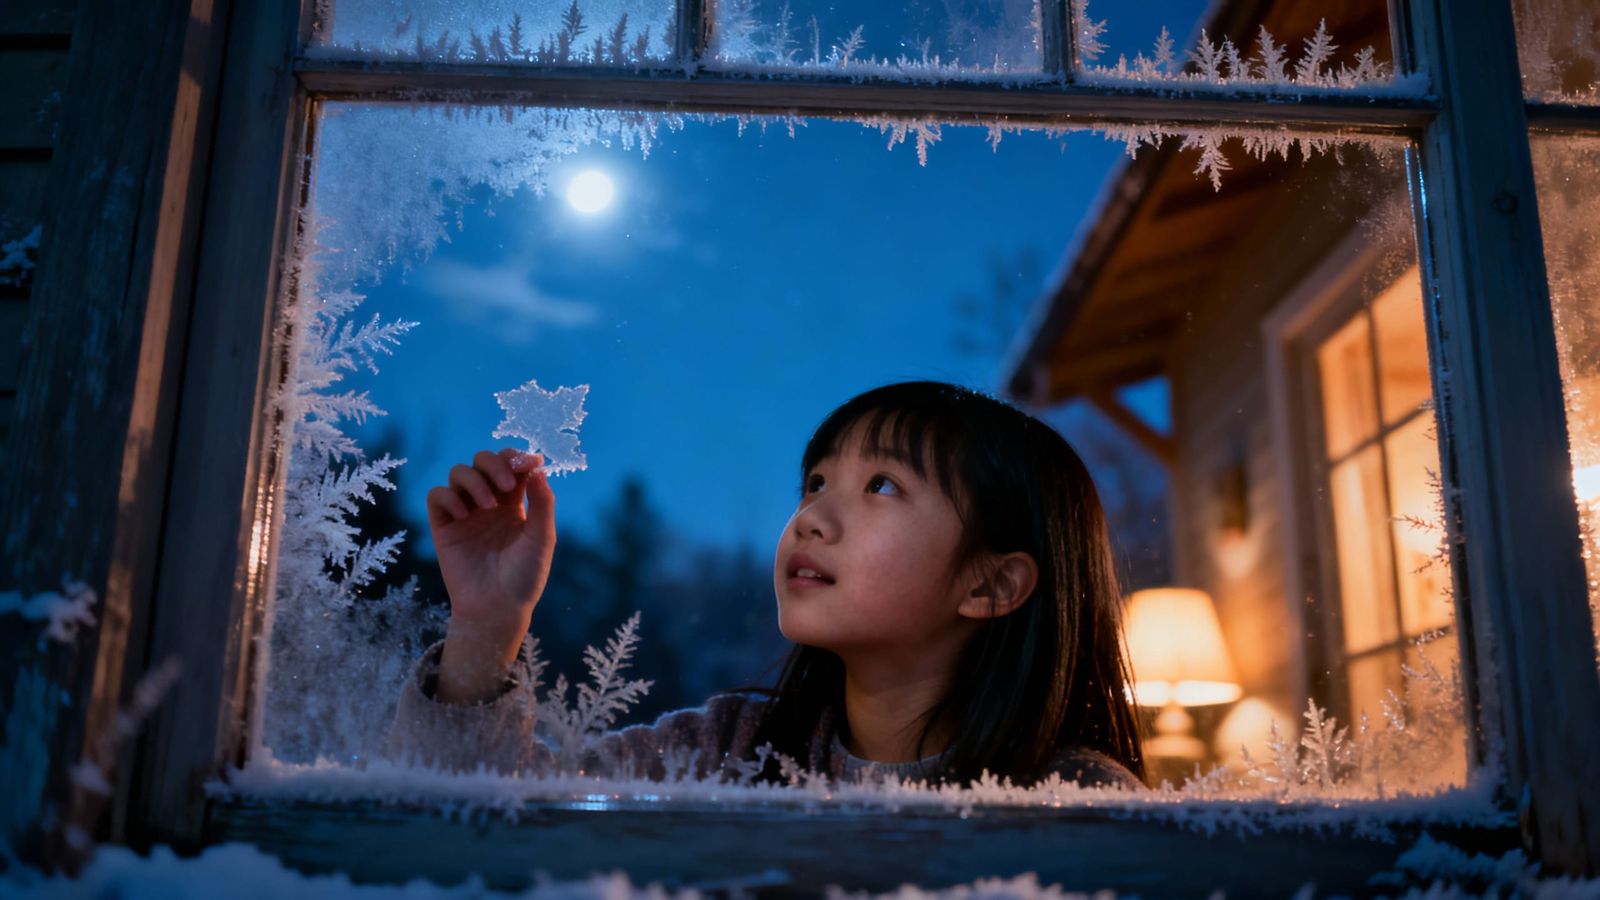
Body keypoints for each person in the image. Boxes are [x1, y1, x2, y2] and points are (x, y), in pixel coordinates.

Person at [386, 381, 1147, 790]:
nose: (812, 515)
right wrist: (486, 624)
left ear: (991, 584)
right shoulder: (724, 754)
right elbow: (481, 829)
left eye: (881, 485)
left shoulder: (1074, 803)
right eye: (816, 481)